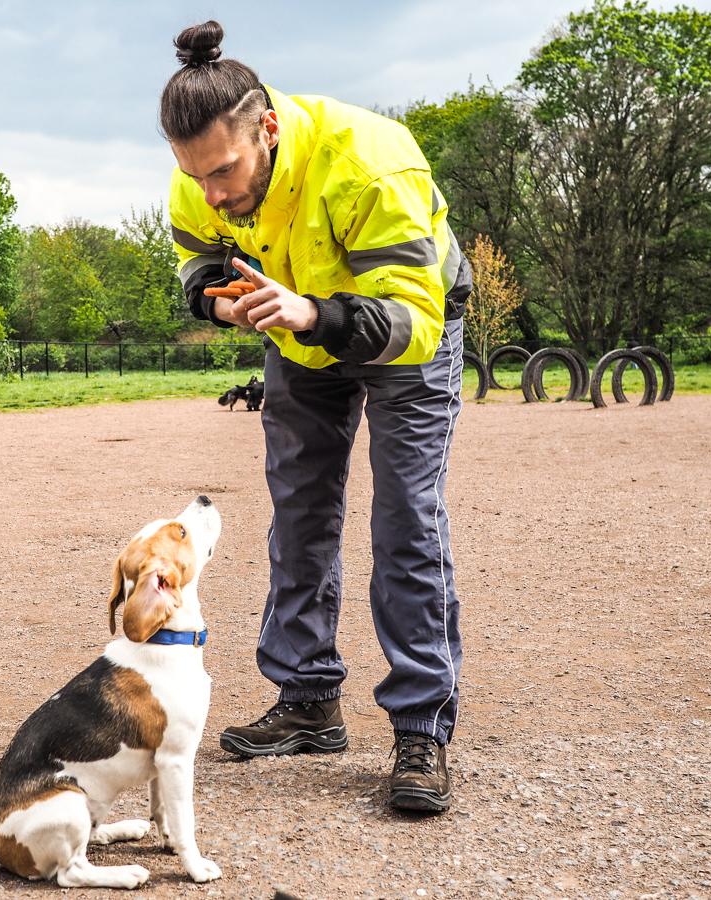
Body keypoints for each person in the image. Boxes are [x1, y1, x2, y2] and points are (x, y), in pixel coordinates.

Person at [160, 20, 471, 813]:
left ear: (267, 127)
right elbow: (198, 257)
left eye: (225, 171)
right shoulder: (201, 174)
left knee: (406, 520)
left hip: (407, 331)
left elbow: (412, 322)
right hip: (295, 333)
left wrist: (314, 314)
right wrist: (221, 301)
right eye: (196, 176)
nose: (215, 194)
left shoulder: (372, 163)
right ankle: (306, 699)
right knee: (300, 512)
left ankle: (420, 728)